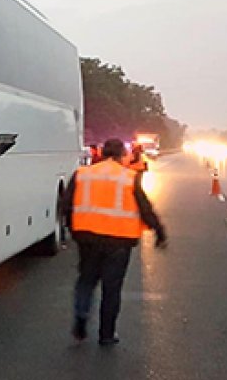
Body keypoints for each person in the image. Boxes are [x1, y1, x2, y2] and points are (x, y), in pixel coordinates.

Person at [64, 138, 167, 345]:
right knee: (112, 289)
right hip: (119, 241)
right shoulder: (129, 177)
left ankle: (81, 319)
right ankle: (107, 334)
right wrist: (159, 232)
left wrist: (72, 230)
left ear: (101, 153)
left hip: (87, 238)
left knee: (86, 280)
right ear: (122, 155)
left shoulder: (82, 174)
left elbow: (66, 204)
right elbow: (144, 208)